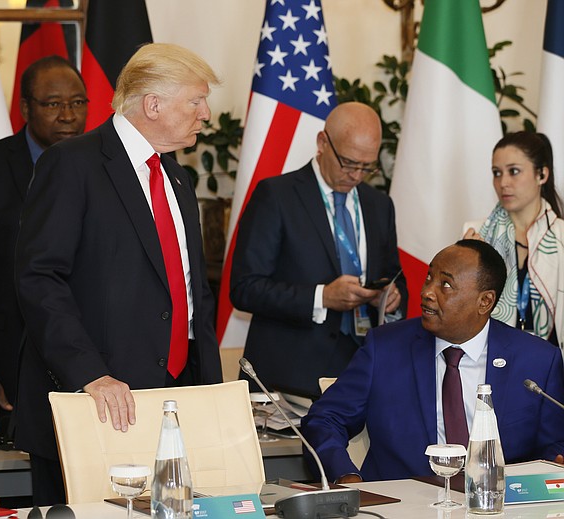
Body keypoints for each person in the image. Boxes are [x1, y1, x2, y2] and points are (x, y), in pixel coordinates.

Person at [13, 43, 224, 505]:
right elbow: (40, 278)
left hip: (176, 401)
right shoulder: (72, 164)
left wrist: (210, 393)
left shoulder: (176, 177)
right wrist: (89, 373)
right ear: (153, 104)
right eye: (195, 101)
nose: (205, 113)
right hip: (96, 398)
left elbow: (191, 294)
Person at [301, 240, 564, 483]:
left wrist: (555, 464)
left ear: (485, 301)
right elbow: (324, 420)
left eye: (445, 285)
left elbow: (555, 443)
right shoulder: (385, 348)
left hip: (498, 505)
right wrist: (344, 475)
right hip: (403, 507)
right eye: (429, 278)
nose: (427, 292)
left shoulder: (537, 360)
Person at [0, 56, 88, 440]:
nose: (67, 115)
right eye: (53, 104)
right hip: (8, 366)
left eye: (77, 103)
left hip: (87, 363)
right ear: (26, 108)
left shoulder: (102, 170)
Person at [230, 102, 406, 399]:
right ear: (323, 142)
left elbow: (393, 274)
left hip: (361, 373)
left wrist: (392, 296)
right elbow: (245, 288)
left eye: (367, 167)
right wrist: (321, 297)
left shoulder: (379, 205)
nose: (356, 175)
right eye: (349, 163)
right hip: (289, 379)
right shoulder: (276, 196)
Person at [464, 131, 564, 350]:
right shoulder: (474, 234)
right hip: (492, 360)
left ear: (542, 175)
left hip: (552, 365)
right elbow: (461, 310)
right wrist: (466, 264)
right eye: (496, 173)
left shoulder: (561, 237)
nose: (503, 183)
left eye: (514, 171)